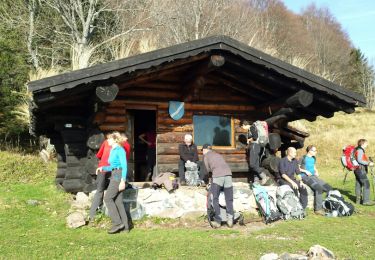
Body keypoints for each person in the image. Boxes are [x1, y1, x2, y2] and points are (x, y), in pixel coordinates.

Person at [89, 133, 130, 222]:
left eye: (109, 138)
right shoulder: (125, 145)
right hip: (112, 170)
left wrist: (122, 179)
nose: (108, 140)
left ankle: (92, 215)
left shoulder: (113, 146)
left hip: (113, 171)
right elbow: (125, 159)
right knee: (115, 198)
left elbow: (99, 155)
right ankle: (121, 223)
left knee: (101, 191)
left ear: (115, 138)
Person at [98, 132, 129, 234]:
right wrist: (103, 168)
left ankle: (117, 223)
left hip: (118, 175)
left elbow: (124, 166)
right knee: (118, 201)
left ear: (115, 140)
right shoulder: (113, 150)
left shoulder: (120, 150)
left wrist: (123, 181)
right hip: (114, 172)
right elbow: (113, 166)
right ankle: (125, 227)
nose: (107, 141)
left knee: (107, 198)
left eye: (109, 139)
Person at [202, 144, 234, 228]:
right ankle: (230, 220)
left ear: (204, 150)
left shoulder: (206, 156)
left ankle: (218, 221)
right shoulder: (218, 154)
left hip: (218, 176)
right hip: (228, 175)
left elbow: (206, 171)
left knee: (214, 198)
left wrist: (205, 181)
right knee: (229, 199)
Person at [298, 145, 332, 215]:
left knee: (328, 187)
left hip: (314, 176)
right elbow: (297, 168)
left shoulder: (313, 158)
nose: (316, 152)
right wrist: (305, 171)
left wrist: (316, 171)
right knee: (318, 188)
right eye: (314, 150)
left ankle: (328, 205)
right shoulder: (303, 158)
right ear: (310, 151)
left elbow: (313, 166)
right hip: (305, 177)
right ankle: (318, 209)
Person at [241, 120, 268, 185]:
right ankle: (256, 180)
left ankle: (263, 175)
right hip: (257, 147)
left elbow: (255, 137)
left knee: (252, 164)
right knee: (256, 164)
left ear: (244, 125)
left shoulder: (252, 127)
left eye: (242, 126)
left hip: (254, 146)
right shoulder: (253, 128)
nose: (242, 128)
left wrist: (248, 140)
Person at [354, 139, 375, 206]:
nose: (367, 145)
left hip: (357, 169)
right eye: (366, 143)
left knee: (359, 184)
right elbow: (360, 160)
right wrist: (368, 163)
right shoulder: (360, 150)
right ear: (362, 144)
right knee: (366, 184)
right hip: (360, 170)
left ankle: (358, 200)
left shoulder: (357, 149)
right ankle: (366, 201)